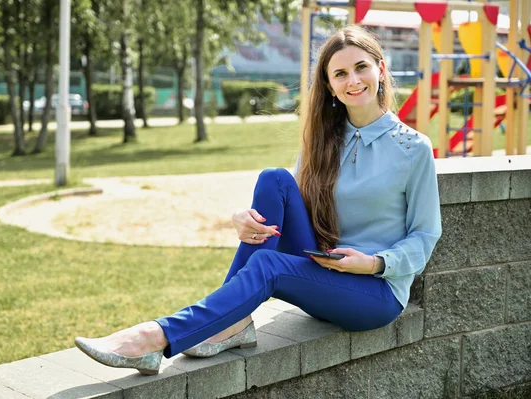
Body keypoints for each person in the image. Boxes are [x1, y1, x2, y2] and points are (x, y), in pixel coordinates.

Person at [74, 25, 442, 375]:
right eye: (341, 73)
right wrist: (243, 216)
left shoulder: (413, 149)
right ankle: (233, 322)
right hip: (322, 269)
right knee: (274, 179)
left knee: (268, 265)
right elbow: (288, 201)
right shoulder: (323, 138)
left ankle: (154, 337)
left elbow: (425, 236)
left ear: (380, 69)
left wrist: (374, 263)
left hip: (373, 294)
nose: (354, 80)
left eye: (361, 67)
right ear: (330, 86)